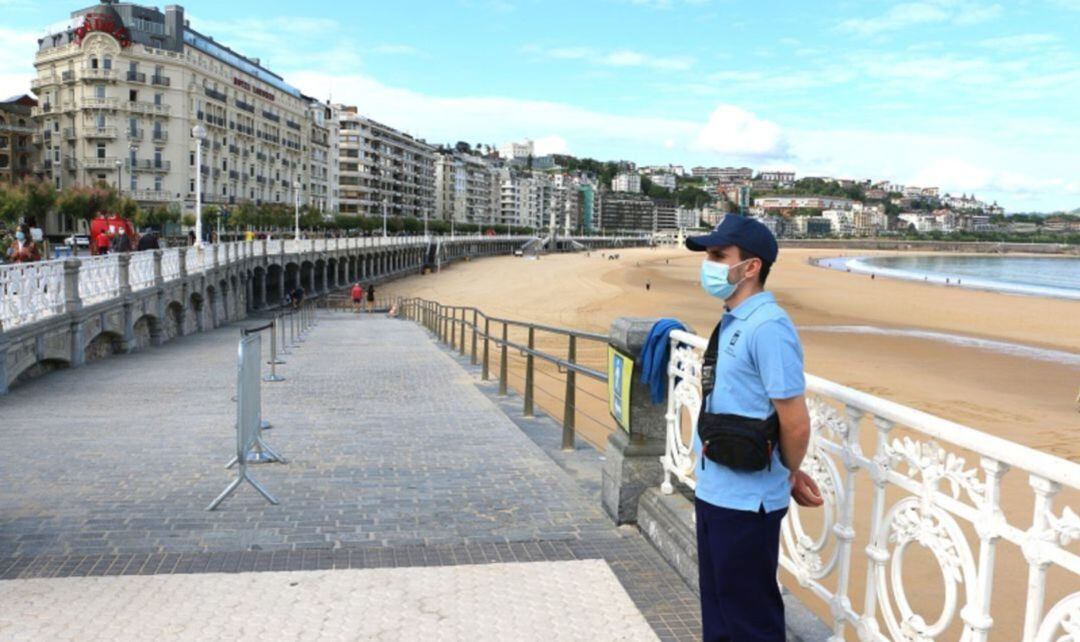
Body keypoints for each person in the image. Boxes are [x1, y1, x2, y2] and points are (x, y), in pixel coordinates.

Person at [684, 216, 822, 642]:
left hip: (748, 502)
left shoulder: (768, 327)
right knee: (721, 612)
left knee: (749, 619)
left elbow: (795, 422)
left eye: (717, 256)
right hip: (716, 488)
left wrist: (787, 471)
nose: (708, 264)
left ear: (750, 267)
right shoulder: (735, 318)